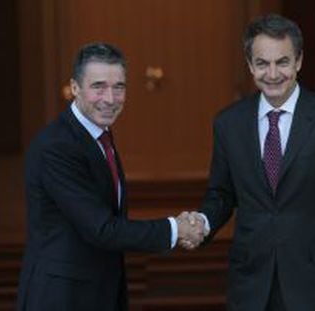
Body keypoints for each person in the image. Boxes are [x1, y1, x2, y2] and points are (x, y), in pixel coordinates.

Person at [187, 14, 315, 311]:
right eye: (262, 63)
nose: (272, 73)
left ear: (299, 61)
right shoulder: (228, 124)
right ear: (250, 65)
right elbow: (221, 195)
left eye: (283, 62)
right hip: (251, 284)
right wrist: (203, 221)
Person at [16, 42, 206, 311]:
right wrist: (176, 229)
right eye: (99, 87)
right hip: (61, 297)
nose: (110, 98)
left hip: (96, 291)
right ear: (75, 88)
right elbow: (102, 228)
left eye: (119, 87)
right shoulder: (56, 146)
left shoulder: (98, 134)